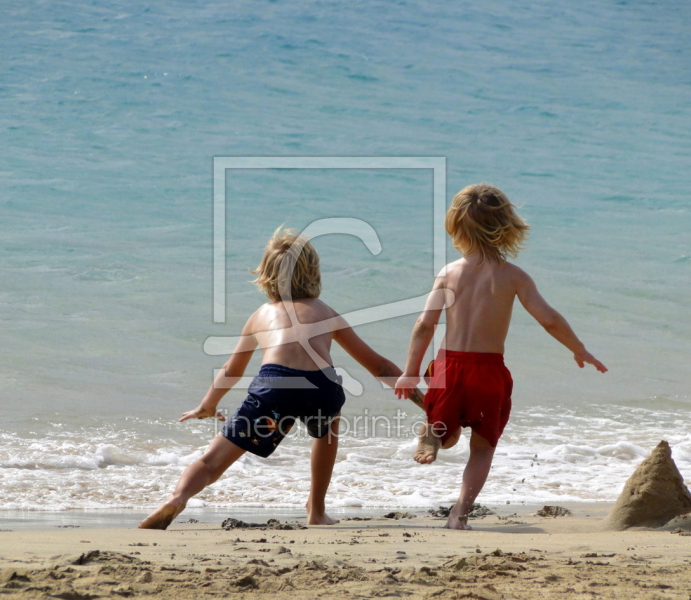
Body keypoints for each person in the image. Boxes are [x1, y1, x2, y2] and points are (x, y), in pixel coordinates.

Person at [140, 226, 423, 530]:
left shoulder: (260, 315)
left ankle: (178, 498)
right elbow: (378, 365)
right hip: (321, 387)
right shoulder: (326, 311)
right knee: (327, 429)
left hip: (275, 386)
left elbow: (232, 370)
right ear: (313, 273)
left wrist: (207, 405)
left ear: (266, 274)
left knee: (211, 462)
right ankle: (316, 510)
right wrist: (427, 403)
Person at [394, 184, 607, 530]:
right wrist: (578, 349)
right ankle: (459, 514)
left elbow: (424, 325)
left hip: (449, 367)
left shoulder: (449, 273)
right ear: (506, 225)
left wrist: (410, 371)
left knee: (447, 433)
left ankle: (434, 433)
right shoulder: (514, 277)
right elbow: (549, 319)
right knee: (482, 447)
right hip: (488, 374)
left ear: (456, 228)